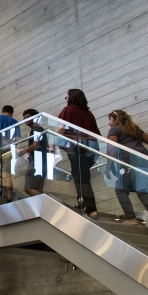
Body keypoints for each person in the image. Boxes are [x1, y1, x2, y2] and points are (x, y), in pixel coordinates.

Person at [106, 109, 148, 235]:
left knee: (120, 190)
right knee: (142, 191)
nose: (109, 123)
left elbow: (111, 148)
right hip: (146, 162)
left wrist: (108, 166)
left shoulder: (115, 129)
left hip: (128, 162)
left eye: (110, 119)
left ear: (116, 119)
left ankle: (131, 218)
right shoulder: (135, 129)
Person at [52, 88, 101, 218]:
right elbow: (96, 133)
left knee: (82, 178)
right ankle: (81, 199)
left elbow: (60, 129)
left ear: (72, 97)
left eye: (66, 97)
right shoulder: (88, 113)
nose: (65, 100)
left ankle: (91, 208)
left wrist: (52, 145)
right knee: (78, 173)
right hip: (91, 148)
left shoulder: (68, 109)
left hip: (77, 147)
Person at [0, 105, 21, 202]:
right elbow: (17, 140)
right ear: (12, 113)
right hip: (8, 150)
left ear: (2, 111)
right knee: (7, 175)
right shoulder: (15, 122)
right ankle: (9, 198)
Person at [18, 109, 48, 197]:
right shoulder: (39, 129)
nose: (25, 119)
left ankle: (47, 203)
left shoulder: (36, 129)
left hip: (37, 162)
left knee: (28, 188)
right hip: (42, 162)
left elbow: (35, 145)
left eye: (27, 117)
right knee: (37, 189)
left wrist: (23, 151)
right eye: (24, 118)